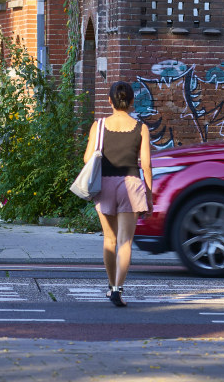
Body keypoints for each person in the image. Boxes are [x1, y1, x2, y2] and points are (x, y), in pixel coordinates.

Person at [84, 81, 152, 307]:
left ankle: (110, 284)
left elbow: (87, 159)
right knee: (125, 242)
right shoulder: (140, 127)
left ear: (110, 101)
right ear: (132, 102)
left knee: (109, 239)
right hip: (131, 185)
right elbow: (147, 165)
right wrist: (149, 196)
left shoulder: (99, 125)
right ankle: (118, 289)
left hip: (105, 185)